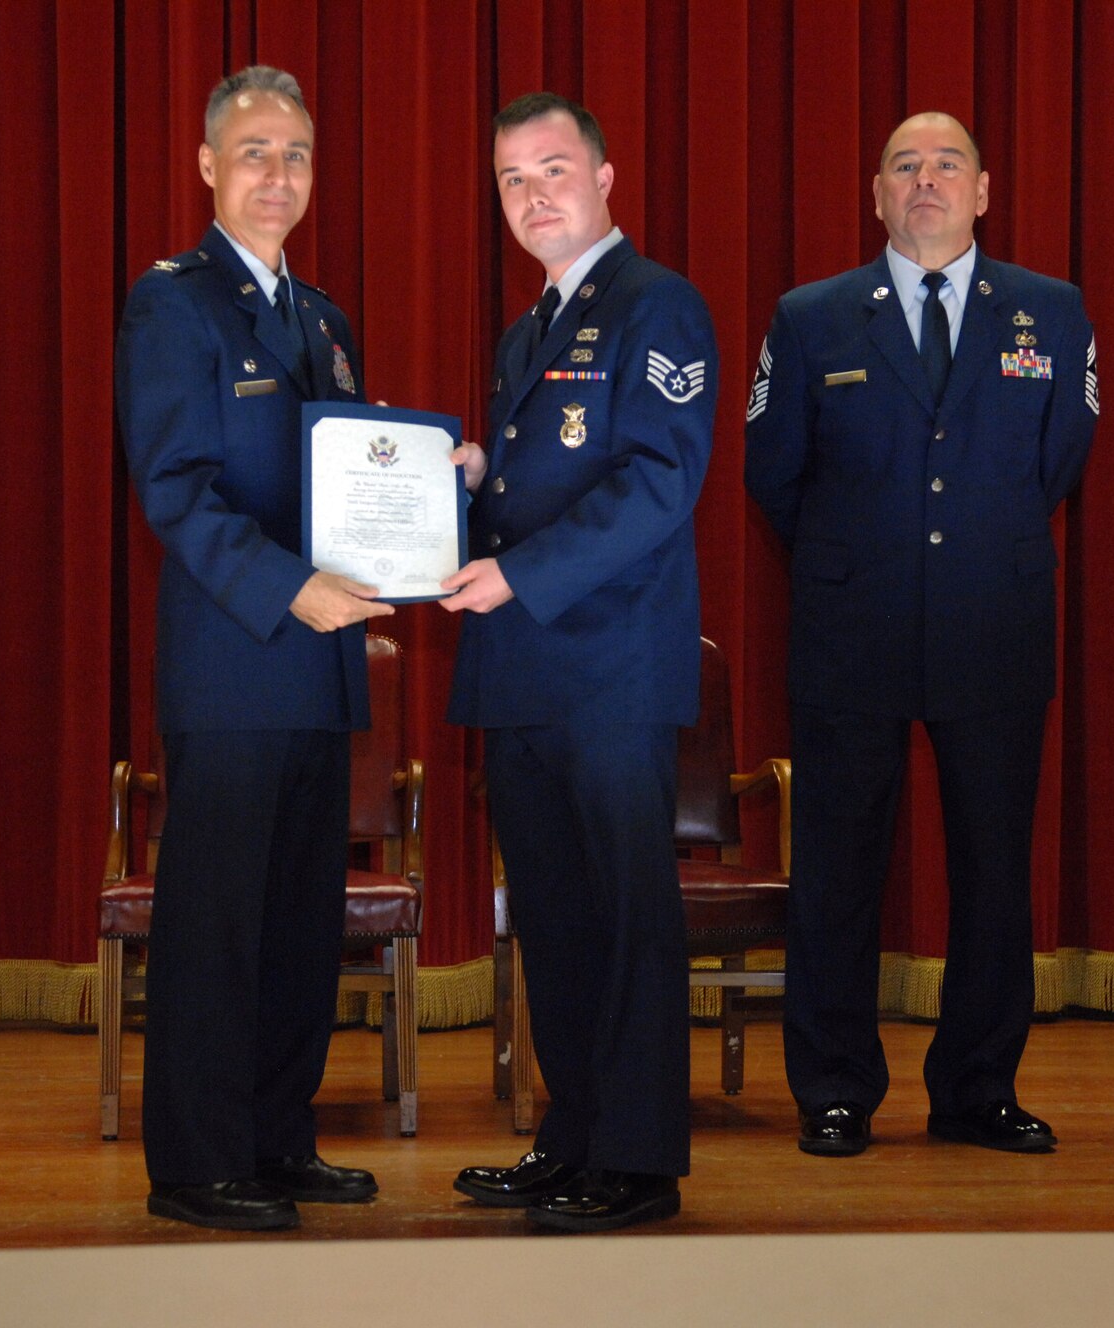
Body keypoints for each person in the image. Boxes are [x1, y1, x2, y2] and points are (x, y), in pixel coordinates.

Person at [744, 111, 1098, 1158]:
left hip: (993, 620)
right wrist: (869, 554)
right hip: (851, 622)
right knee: (837, 869)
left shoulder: (1050, 311)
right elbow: (775, 472)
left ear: (984, 190)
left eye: (948, 165)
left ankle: (978, 1088)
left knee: (993, 870)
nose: (926, 181)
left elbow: (1058, 461)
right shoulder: (810, 318)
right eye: (905, 166)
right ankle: (836, 1088)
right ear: (875, 194)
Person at [114, 65, 391, 1231]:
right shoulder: (171, 302)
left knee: (294, 925)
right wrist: (293, 590)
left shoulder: (320, 315)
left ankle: (278, 1137)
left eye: (297, 155)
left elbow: (352, 484)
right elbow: (174, 489)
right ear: (208, 168)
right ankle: (195, 1159)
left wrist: (417, 526)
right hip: (234, 661)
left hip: (319, 672)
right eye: (256, 152)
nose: (279, 176)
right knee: (216, 921)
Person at [442, 92, 717, 1233]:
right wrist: (461, 488)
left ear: (606, 177)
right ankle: (573, 1137)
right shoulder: (527, 330)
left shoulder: (659, 305)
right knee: (550, 917)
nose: (533, 193)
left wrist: (518, 571)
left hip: (609, 670)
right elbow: (532, 489)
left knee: (623, 914)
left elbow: (658, 481)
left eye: (553, 168)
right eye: (511, 179)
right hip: (523, 675)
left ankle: (639, 1158)